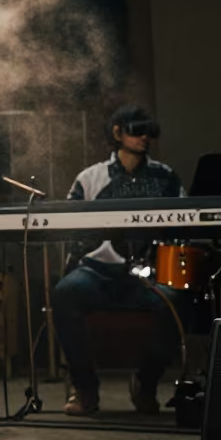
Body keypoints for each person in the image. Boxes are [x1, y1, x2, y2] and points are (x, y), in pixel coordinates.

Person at [51, 104, 185, 416]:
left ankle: (146, 384)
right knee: (65, 292)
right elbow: (70, 229)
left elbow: (185, 225)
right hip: (97, 271)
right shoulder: (90, 177)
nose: (144, 138)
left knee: (175, 301)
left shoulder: (165, 178)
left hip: (147, 274)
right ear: (117, 132)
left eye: (149, 132)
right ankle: (85, 389)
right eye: (137, 130)